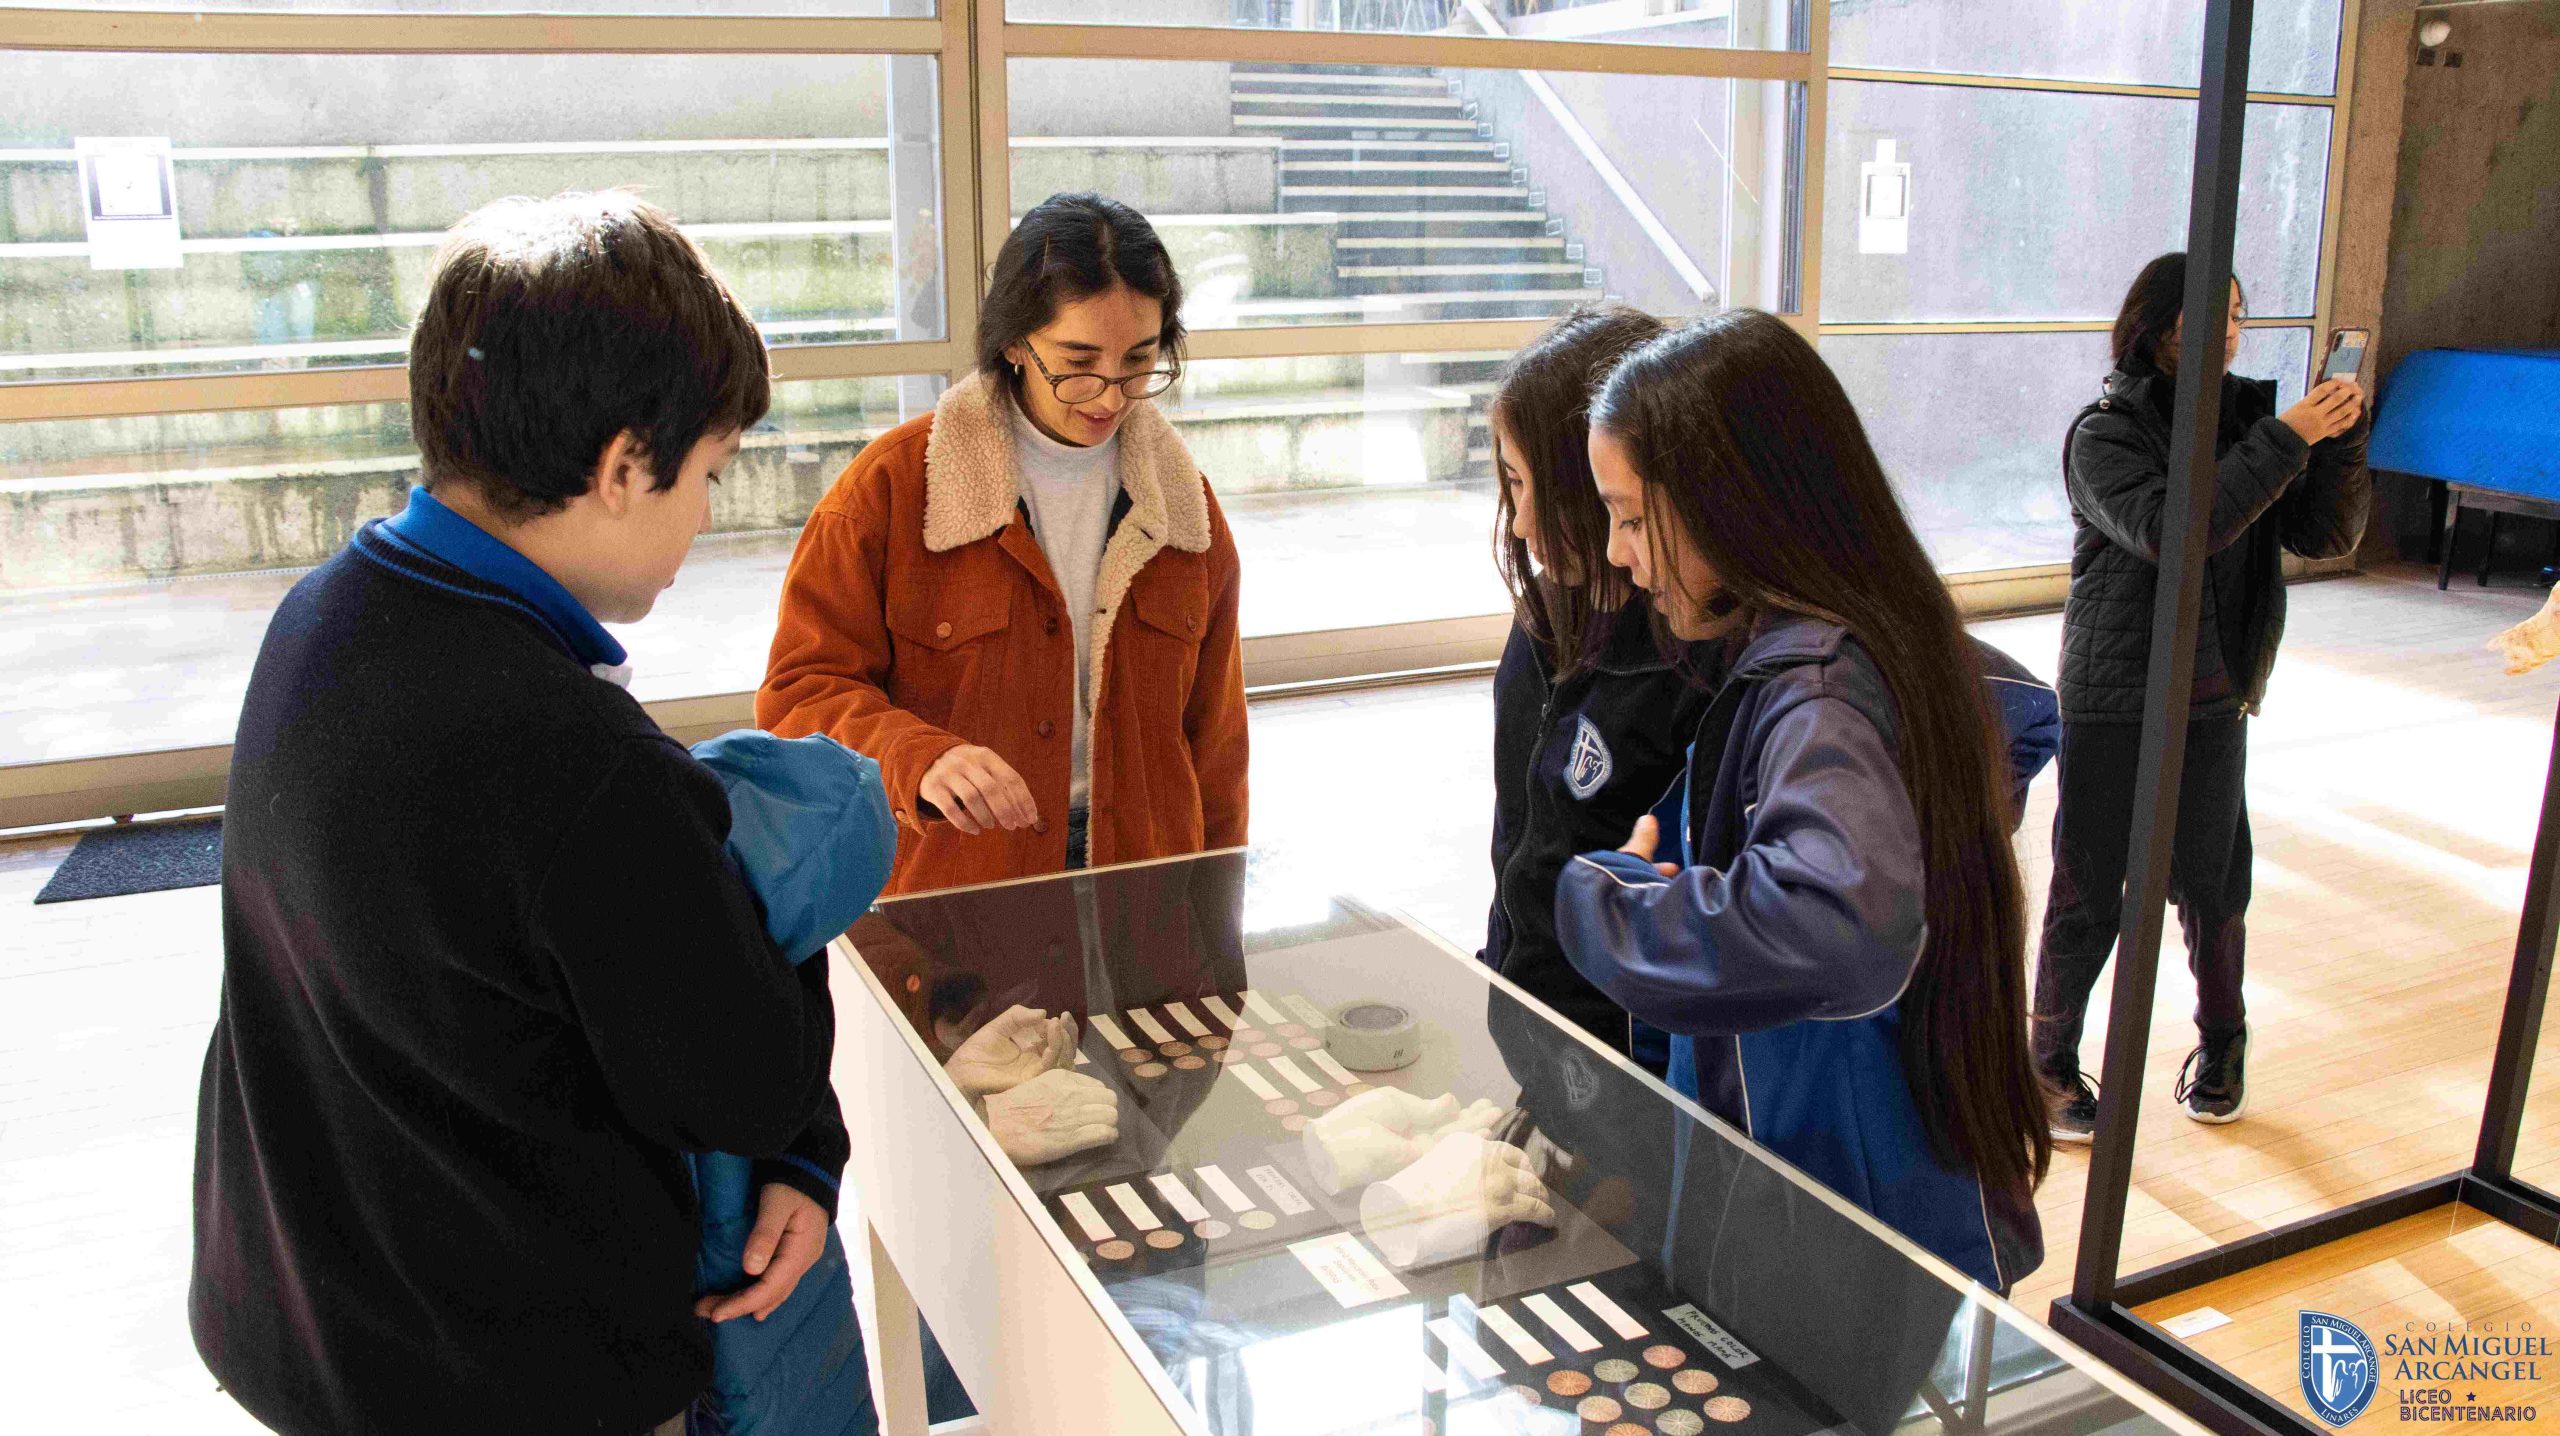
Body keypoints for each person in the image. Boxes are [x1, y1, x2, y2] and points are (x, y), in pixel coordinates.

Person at [191, 192, 844, 1435]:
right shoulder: (572, 760)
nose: (707, 515)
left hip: (306, 1313)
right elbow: (744, 1080)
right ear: (619, 468)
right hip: (508, 1368)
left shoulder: (324, 614)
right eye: (707, 473)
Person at [1555, 310, 2052, 1293]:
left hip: (1849, 1209)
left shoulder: (1814, 683)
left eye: (1625, 512)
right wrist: (1930, 838)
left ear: (1721, 503)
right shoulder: (1866, 635)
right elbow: (2024, 713)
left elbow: (1839, 923)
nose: (1614, 550)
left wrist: (1607, 901)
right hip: (1891, 1172)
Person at [761, 192, 1248, 894]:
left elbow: (1218, 746)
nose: (1109, 396)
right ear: (1016, 342)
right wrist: (918, 757)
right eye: (1078, 361)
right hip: (962, 889)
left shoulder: (1184, 510)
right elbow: (799, 693)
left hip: (1145, 880)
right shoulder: (891, 491)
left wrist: (1214, 906)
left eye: (1139, 360)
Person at [2033, 253, 2369, 1140]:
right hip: (2113, 693)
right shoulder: (2103, 432)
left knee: (2215, 887)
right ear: (2156, 324)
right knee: (2089, 889)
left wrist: (2338, 443)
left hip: (2214, 691)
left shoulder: (2258, 421)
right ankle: (2045, 1063)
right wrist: (2290, 438)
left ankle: (2223, 1046)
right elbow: (2177, 531)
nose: (2224, 330)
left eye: (2235, 313)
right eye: (2202, 314)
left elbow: (2326, 534)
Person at [1478, 305, 1700, 1062]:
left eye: (1543, 486)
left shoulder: (1693, 653)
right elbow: (1521, 834)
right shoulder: (1546, 612)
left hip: (1623, 1054)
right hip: (1529, 1010)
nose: (1520, 521)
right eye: (1511, 481)